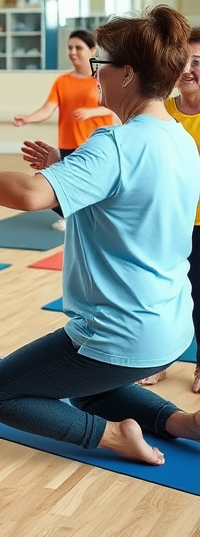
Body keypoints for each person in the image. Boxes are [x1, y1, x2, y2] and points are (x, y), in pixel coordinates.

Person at [0, 5, 200, 471]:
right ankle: (183, 423)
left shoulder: (115, 144)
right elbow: (123, 206)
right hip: (173, 329)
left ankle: (113, 438)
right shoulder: (179, 139)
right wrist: (62, 175)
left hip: (122, 332)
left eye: (100, 66)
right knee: (87, 390)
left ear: (127, 73)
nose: (94, 77)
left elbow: (27, 194)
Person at [138, 26, 200, 389]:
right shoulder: (160, 111)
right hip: (164, 222)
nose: (189, 69)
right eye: (184, 61)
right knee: (162, 295)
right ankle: (159, 359)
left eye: (198, 62)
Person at [12, 29, 114, 231]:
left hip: (95, 144)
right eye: (70, 47)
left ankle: (98, 221)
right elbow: (47, 109)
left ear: (92, 50)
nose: (73, 52)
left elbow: (113, 105)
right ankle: (71, 218)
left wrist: (91, 112)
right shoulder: (62, 81)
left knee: (93, 186)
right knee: (68, 185)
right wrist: (29, 118)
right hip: (68, 143)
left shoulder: (102, 77)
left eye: (78, 47)